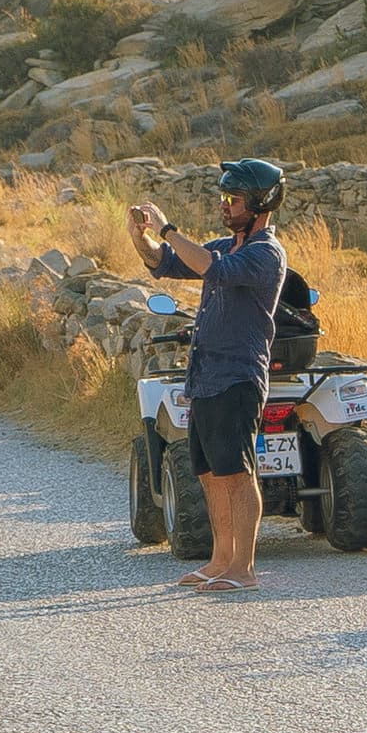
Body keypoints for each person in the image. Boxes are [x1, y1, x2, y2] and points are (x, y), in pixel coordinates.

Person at [128, 159, 288, 593]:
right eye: (223, 197)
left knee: (237, 472)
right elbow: (168, 264)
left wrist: (167, 228)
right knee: (210, 473)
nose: (224, 205)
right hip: (205, 375)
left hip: (237, 376)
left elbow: (208, 267)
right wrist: (143, 239)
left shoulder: (264, 254)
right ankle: (220, 560)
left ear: (259, 204)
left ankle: (245, 568)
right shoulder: (228, 245)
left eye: (232, 199)